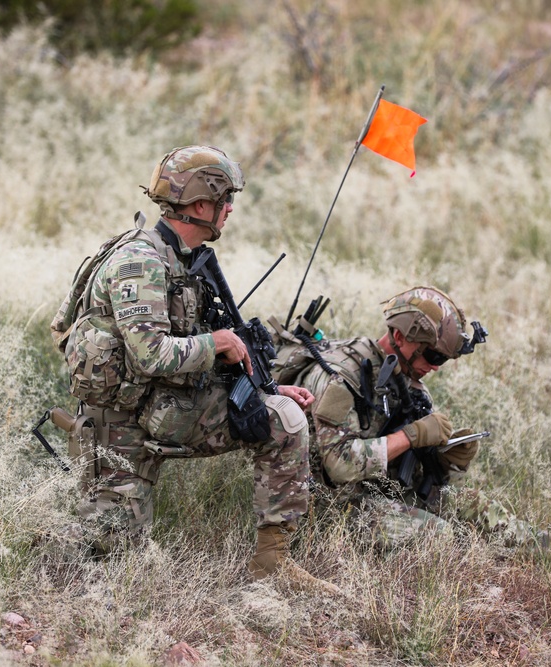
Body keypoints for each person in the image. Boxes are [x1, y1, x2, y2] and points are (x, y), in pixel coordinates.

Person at [49, 145, 338, 593]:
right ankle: (32, 535)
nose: (230, 210)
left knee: (284, 418)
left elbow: (192, 351)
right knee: (107, 553)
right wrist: (218, 342)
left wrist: (267, 388)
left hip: (167, 407)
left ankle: (272, 561)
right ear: (201, 205)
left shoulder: (184, 259)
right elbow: (152, 354)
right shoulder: (142, 261)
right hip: (122, 424)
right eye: (225, 200)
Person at [273, 286, 549, 550]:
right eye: (432, 356)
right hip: (334, 502)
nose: (434, 367)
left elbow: (410, 467)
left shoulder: (408, 380)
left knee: (475, 505)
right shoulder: (342, 377)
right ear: (400, 336)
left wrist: (445, 455)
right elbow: (339, 466)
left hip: (381, 489)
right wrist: (410, 436)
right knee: (439, 536)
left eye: (442, 360)